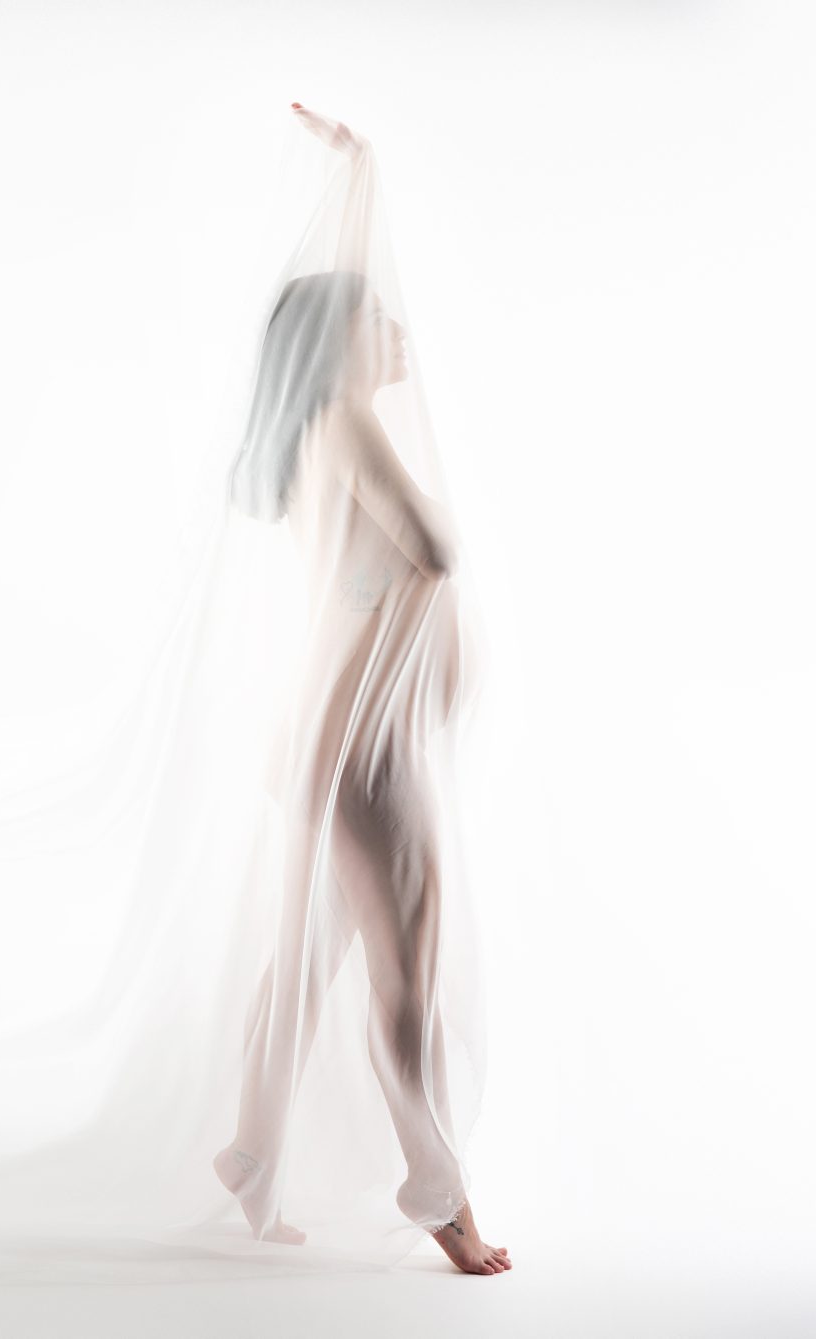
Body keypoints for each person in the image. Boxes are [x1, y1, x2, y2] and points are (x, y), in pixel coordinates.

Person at [210, 104, 510, 1276]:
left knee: (309, 958)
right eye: (375, 317)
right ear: (337, 347)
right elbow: (429, 551)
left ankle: (250, 1149)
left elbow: (337, 286)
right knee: (406, 970)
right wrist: (436, 533)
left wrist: (360, 175)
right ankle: (441, 1196)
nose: (398, 325)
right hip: (362, 750)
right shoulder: (345, 422)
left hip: (334, 732)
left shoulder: (327, 425)